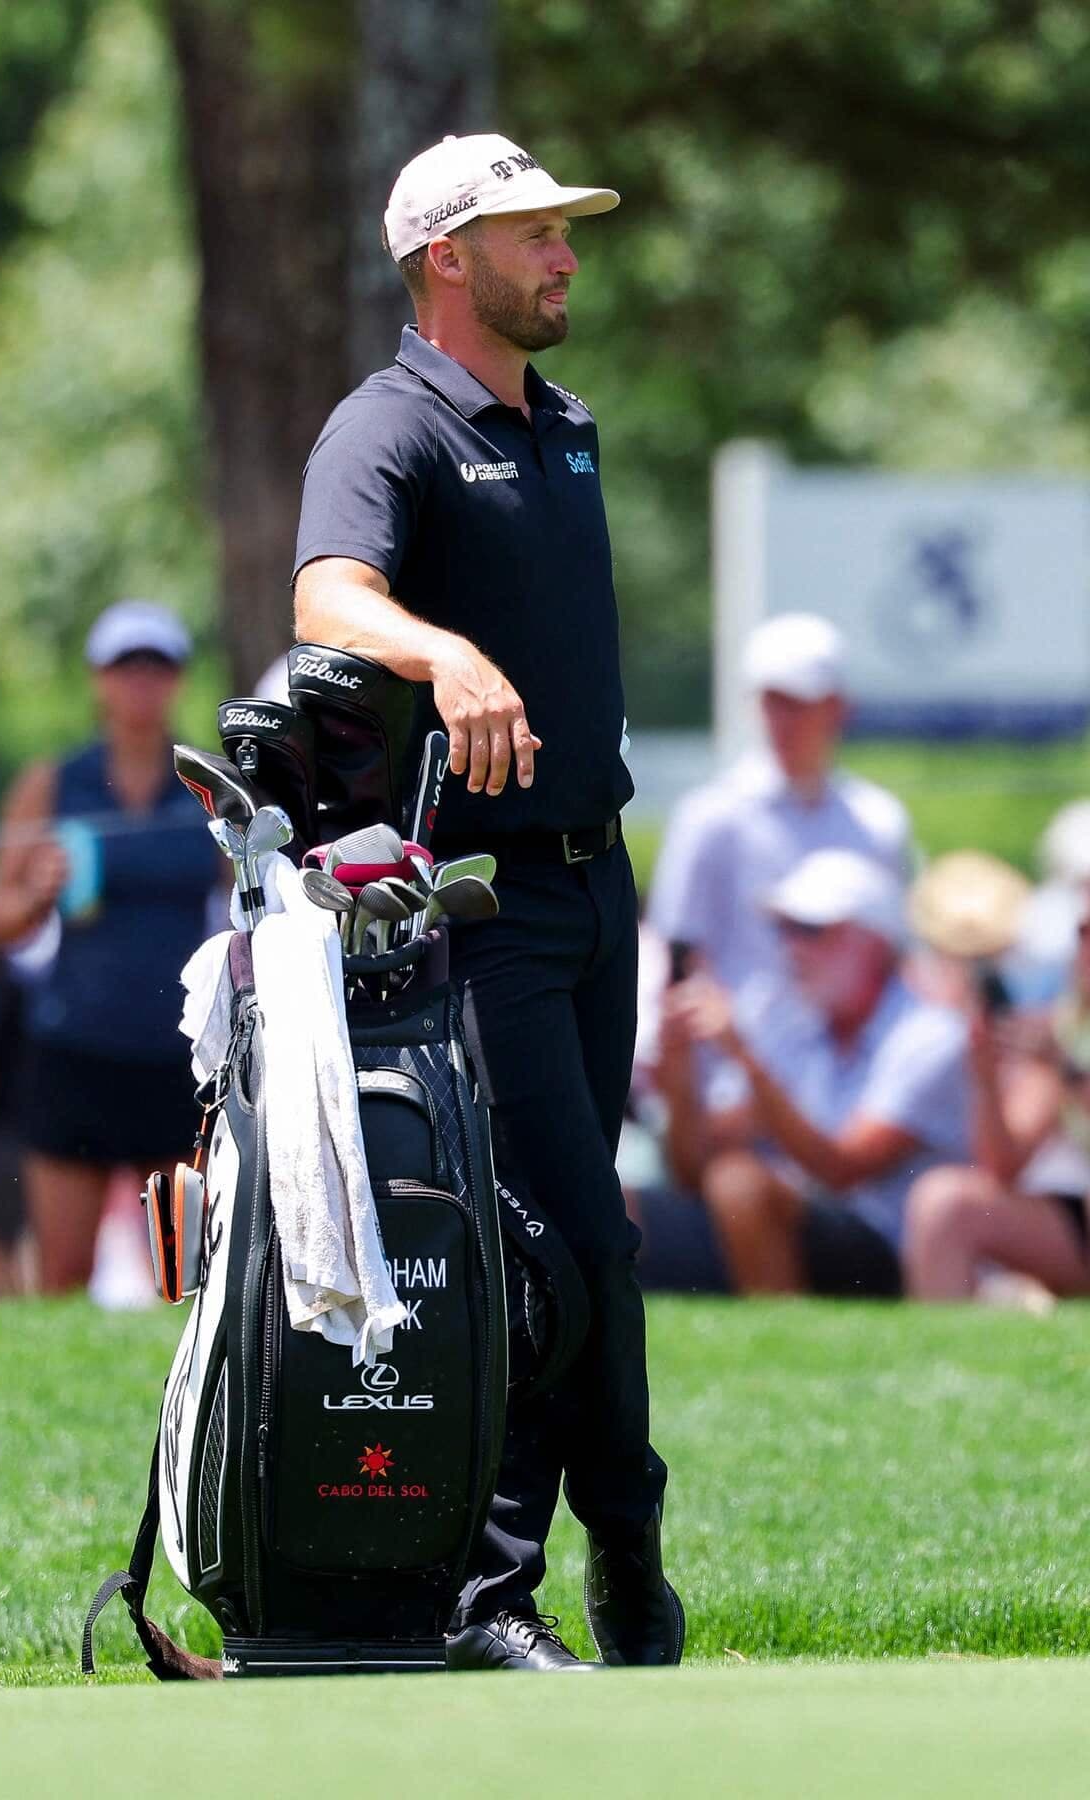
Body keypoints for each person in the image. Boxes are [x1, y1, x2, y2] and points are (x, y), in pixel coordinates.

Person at [292, 133, 678, 1671]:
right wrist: (437, 652)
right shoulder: (385, 424)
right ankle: (532, 1585)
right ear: (448, 257)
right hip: (484, 906)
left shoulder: (565, 426)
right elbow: (325, 592)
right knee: (564, 1244)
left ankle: (584, 1575)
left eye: (566, 234)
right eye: (534, 235)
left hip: (600, 891)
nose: (566, 257)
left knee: (586, 1245)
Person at [0, 600, 220, 1293]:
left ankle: (175, 1407)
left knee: (182, 1282)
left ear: (178, 678)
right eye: (126, 665)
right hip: (75, 1049)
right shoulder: (53, 782)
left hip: (180, 1054)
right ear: (99, 679)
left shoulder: (208, 785)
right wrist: (36, 891)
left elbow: (256, 900)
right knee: (61, 1276)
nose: (141, 681)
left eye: (158, 665)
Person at [654, 849, 970, 1296]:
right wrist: (678, 1065)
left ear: (875, 943)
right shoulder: (791, 1020)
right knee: (625, 1207)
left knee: (738, 1183)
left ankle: (776, 1344)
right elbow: (691, 1167)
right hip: (802, 1226)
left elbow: (842, 1168)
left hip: (889, 1253)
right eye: (784, 928)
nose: (791, 947)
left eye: (811, 929)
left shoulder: (931, 1035)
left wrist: (743, 1055)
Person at [644, 613, 912, 999]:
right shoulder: (709, 817)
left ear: (838, 707)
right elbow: (678, 954)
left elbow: (892, 956)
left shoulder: (880, 820)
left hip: (852, 1059)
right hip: (729, 1056)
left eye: (798, 702)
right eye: (770, 700)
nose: (781, 719)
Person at [904, 888, 1090, 1303]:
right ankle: (940, 1360)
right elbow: (1002, 1166)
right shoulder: (1067, 1026)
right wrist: (985, 1077)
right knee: (944, 1203)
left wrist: (1066, 1068)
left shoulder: (1062, 1042)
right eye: (1082, 931)